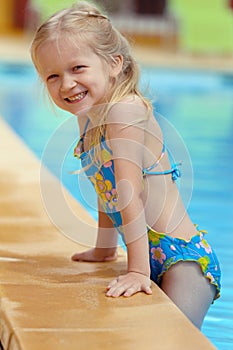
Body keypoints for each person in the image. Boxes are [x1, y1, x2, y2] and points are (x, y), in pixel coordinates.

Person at [30, 0, 221, 329]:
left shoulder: (125, 111)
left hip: (182, 261)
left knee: (172, 340)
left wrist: (137, 270)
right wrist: (105, 248)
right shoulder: (88, 115)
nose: (66, 85)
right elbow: (105, 187)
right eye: (52, 76)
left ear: (114, 63)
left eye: (77, 68)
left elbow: (128, 194)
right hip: (147, 255)